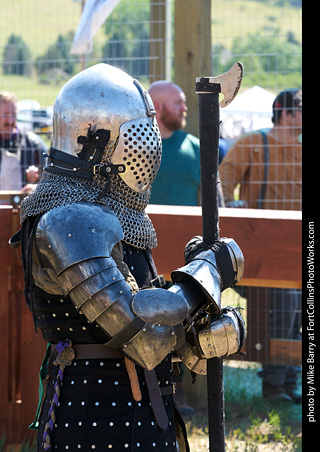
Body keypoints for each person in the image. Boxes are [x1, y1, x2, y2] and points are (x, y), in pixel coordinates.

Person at [11, 64, 245, 452]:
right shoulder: (72, 219)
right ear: (100, 139)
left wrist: (204, 330)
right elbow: (145, 339)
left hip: (138, 410)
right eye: (140, 131)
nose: (150, 143)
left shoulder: (114, 216)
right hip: (95, 415)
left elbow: (162, 331)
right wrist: (205, 273)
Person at [219, 89, 302, 403]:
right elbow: (221, 187)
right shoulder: (252, 144)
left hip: (297, 251)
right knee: (287, 303)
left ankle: (291, 383)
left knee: (298, 308)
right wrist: (233, 209)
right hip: (258, 255)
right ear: (288, 113)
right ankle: (274, 386)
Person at [148, 80, 224, 207]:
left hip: (189, 226)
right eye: (178, 103)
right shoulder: (133, 148)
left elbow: (217, 203)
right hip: (139, 227)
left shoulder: (197, 148)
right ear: (157, 107)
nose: (184, 108)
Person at [0, 91, 47, 193]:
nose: (11, 120)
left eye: (13, 114)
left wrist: (36, 185)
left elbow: (51, 185)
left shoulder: (34, 145)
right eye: (5, 115)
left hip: (24, 207)